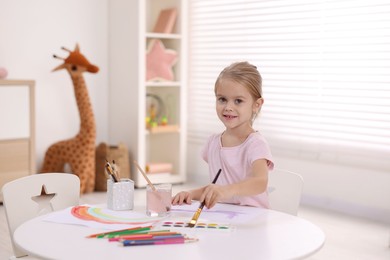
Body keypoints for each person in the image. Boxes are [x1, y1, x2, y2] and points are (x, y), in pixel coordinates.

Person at [172, 61, 274, 209]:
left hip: (253, 219)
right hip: (225, 218)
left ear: (256, 105)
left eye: (238, 101)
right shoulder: (213, 143)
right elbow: (217, 188)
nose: (228, 107)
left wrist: (227, 191)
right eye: (222, 99)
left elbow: (260, 182)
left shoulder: (255, 144)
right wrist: (190, 194)